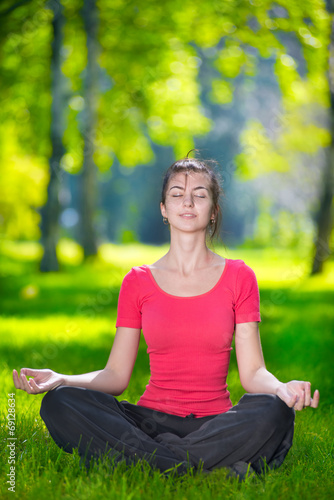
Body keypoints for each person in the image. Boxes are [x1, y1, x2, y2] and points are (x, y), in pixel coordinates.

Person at [13, 155, 319, 479]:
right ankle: (204, 466)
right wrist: (63, 379)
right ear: (163, 208)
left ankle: (148, 463)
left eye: (199, 194)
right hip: (148, 423)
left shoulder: (239, 277)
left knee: (274, 409)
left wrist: (281, 388)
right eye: (176, 194)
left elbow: (253, 373)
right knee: (60, 402)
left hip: (214, 423)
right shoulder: (137, 281)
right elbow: (116, 376)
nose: (187, 201)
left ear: (213, 210)